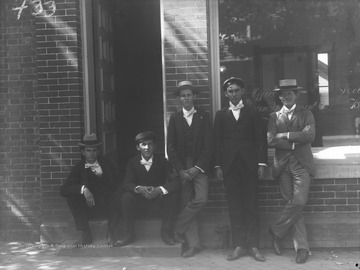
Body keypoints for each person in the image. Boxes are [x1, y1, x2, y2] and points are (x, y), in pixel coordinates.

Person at [214, 77, 267, 262]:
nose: (233, 94)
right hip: (229, 167)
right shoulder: (220, 115)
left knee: (251, 205)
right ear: (226, 94)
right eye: (230, 91)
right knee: (234, 206)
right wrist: (218, 165)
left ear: (242, 91)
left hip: (250, 165)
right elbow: (217, 142)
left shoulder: (253, 112)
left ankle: (253, 245)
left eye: (236, 90)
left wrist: (261, 164)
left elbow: (261, 140)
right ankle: (239, 245)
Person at [267, 79, 315, 264]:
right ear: (279, 96)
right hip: (282, 165)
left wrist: (285, 135)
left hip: (301, 164)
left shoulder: (306, 113)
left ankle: (276, 231)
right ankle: (302, 248)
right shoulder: (273, 116)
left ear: (296, 94)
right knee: (293, 205)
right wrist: (296, 140)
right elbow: (270, 140)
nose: (285, 96)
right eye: (282, 94)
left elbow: (310, 135)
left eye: (289, 93)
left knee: (299, 201)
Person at [167, 80, 213, 258]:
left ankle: (177, 226)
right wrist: (180, 170)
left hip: (199, 167)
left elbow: (209, 146)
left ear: (194, 96)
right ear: (179, 99)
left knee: (201, 199)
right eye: (183, 96)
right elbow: (170, 147)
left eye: (189, 95)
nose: (186, 98)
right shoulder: (175, 118)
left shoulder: (203, 116)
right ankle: (194, 245)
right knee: (187, 202)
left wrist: (198, 167)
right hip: (182, 168)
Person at [115, 131, 181, 247]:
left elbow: (175, 182)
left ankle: (166, 232)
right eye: (143, 144)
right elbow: (126, 183)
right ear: (138, 147)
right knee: (126, 197)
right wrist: (139, 189)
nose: (147, 148)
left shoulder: (163, 161)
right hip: (139, 202)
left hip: (157, 203)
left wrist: (159, 189)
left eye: (150, 144)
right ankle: (129, 234)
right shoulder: (132, 162)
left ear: (155, 146)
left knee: (172, 195)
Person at [60, 133, 122, 246]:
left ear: (98, 151)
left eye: (94, 150)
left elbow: (119, 181)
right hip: (90, 207)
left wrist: (114, 192)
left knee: (119, 195)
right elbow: (63, 190)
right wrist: (83, 189)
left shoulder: (106, 164)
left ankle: (111, 232)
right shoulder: (79, 168)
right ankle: (86, 233)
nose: (91, 153)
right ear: (83, 152)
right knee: (72, 198)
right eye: (88, 150)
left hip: (107, 204)